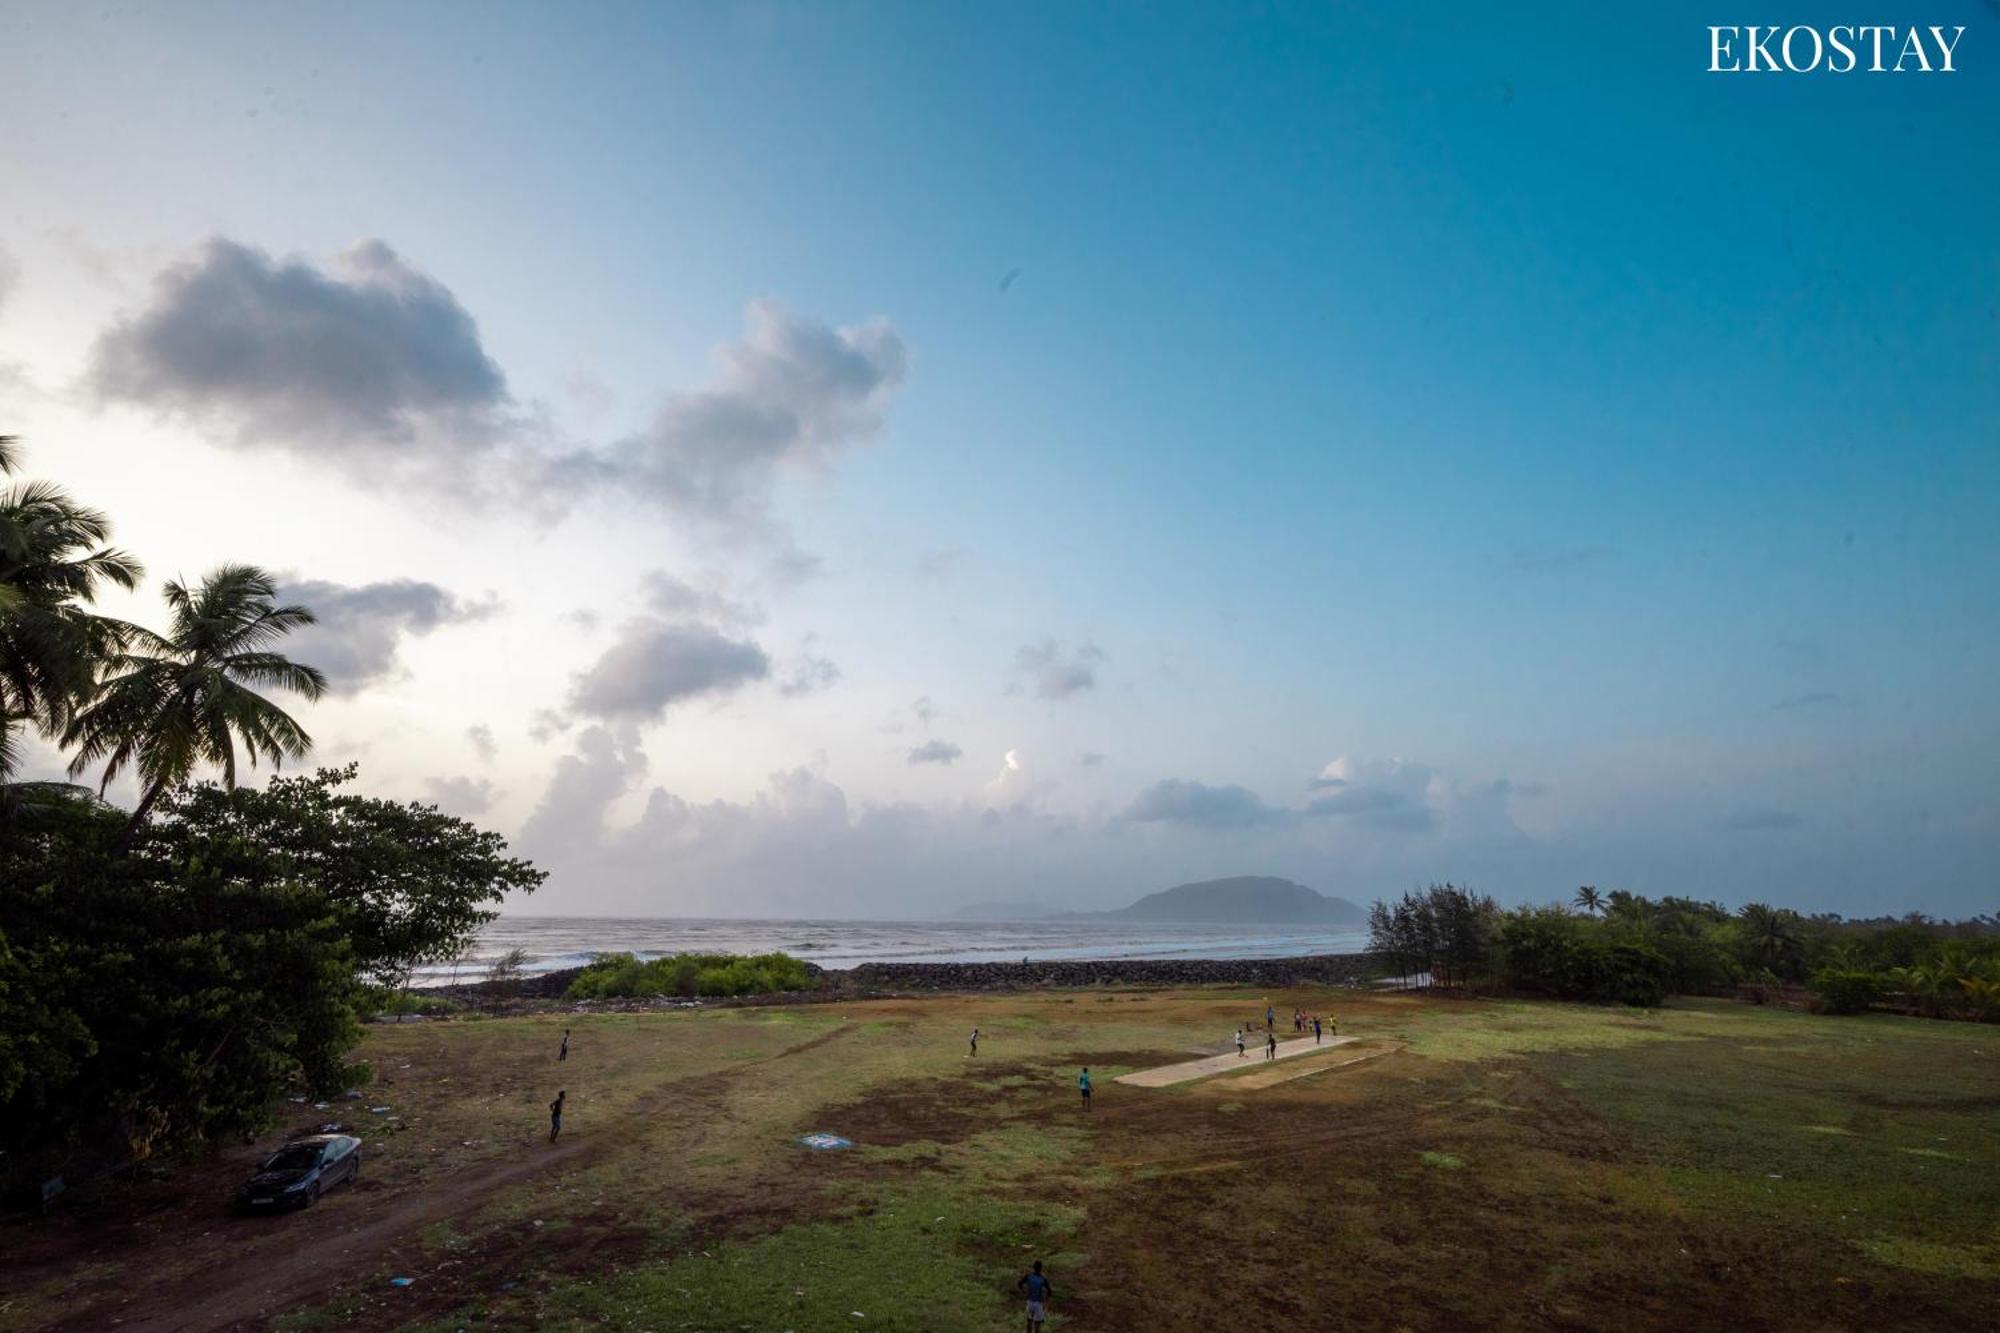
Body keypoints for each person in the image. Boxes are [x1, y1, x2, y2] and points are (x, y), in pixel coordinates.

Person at [1017, 1260, 1053, 1329]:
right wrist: (1046, 1300)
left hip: (1030, 1302)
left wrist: (1023, 1291)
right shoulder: (1043, 1278)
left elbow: (1019, 1284)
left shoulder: (1029, 1276)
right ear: (1041, 1268)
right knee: (1037, 1324)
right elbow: (1050, 1291)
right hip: (1038, 1303)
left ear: (1033, 1267)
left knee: (1029, 1322)